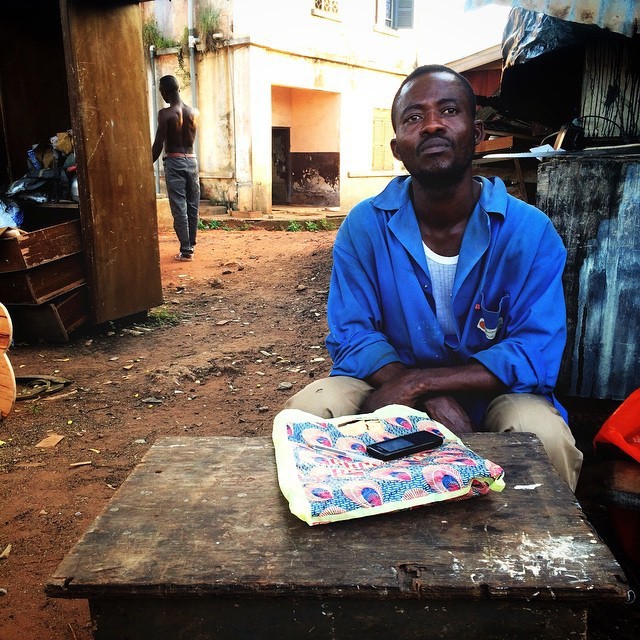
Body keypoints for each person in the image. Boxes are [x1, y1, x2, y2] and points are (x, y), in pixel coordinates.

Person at [285, 65, 583, 491]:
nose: (432, 125)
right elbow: (352, 333)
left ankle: (532, 552)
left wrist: (424, 382)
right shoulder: (365, 227)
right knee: (310, 413)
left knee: (545, 438)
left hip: (491, 394)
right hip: (385, 382)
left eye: (449, 110)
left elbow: (534, 347)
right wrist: (418, 392)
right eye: (413, 117)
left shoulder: (528, 232)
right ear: (397, 146)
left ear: (477, 133)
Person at [152, 75, 200, 262]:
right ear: (178, 89)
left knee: (179, 205)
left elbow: (158, 144)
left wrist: (146, 164)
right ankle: (191, 244)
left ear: (164, 92)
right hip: (192, 161)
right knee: (193, 204)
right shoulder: (195, 112)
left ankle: (186, 249)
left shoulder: (165, 114)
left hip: (174, 161)